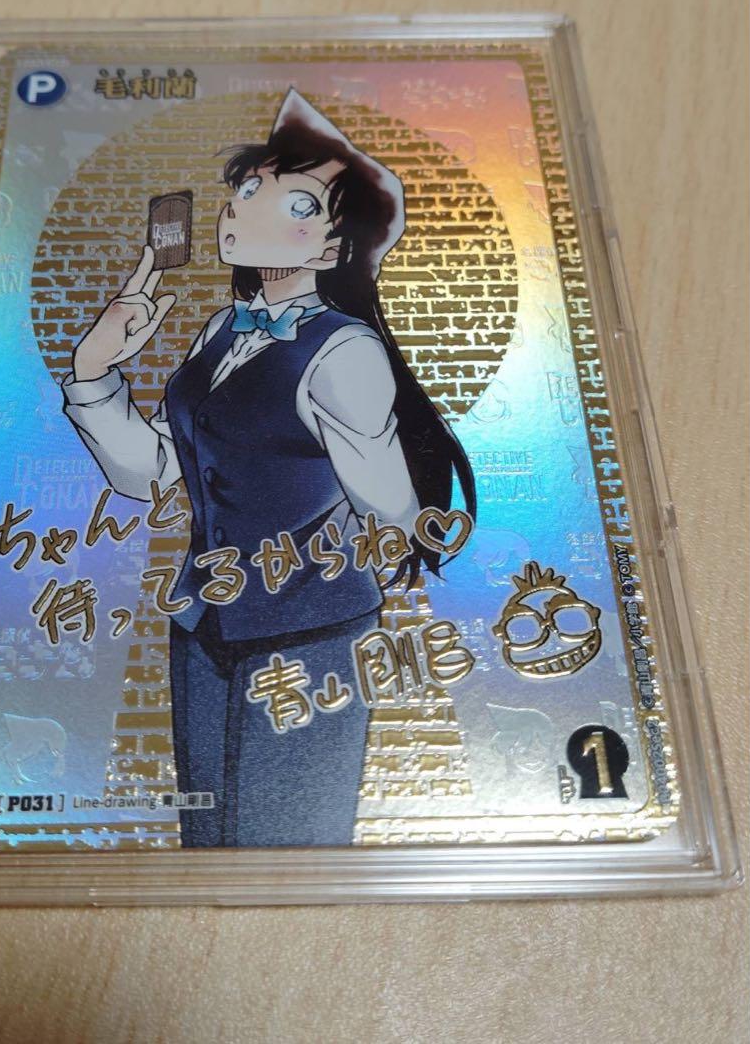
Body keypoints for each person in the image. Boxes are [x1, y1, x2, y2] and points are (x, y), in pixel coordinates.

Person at [62, 89, 475, 847]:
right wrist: (94, 371)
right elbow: (151, 474)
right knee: (207, 839)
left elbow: (389, 515)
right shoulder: (222, 329)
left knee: (287, 842)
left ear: (332, 250)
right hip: (205, 620)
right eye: (248, 190)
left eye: (294, 203)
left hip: (309, 631)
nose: (240, 209)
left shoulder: (344, 352)